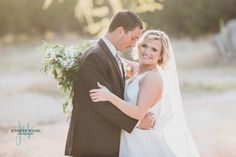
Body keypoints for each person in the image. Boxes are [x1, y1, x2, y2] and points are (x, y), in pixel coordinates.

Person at [90, 30, 200, 157]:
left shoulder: (153, 78)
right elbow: (110, 57)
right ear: (138, 46)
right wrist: (94, 46)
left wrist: (109, 96)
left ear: (160, 56)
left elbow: (138, 113)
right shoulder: (137, 70)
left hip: (140, 141)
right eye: (144, 46)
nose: (147, 52)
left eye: (154, 49)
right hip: (128, 135)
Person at [65, 11, 155, 157]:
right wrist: (137, 123)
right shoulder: (95, 56)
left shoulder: (110, 54)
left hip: (104, 140)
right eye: (133, 38)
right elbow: (101, 104)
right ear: (120, 31)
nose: (133, 45)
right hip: (92, 142)